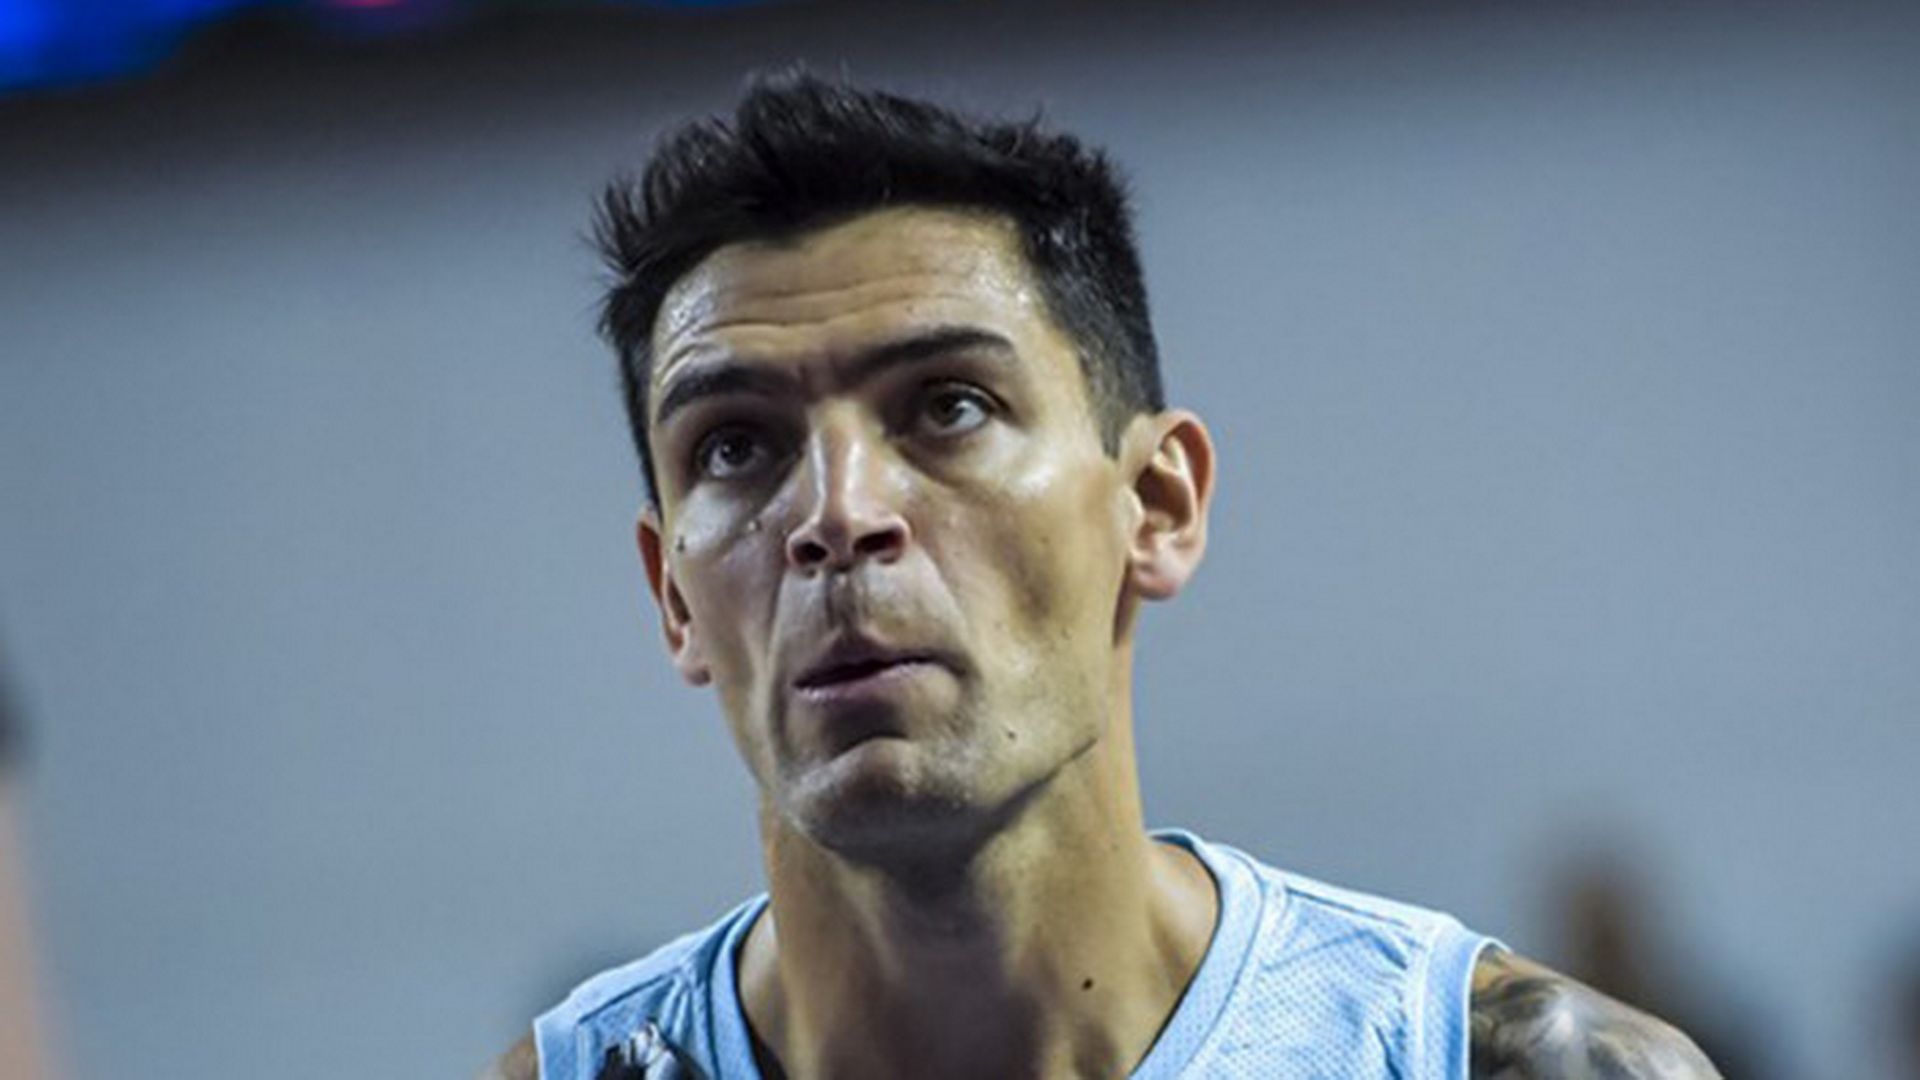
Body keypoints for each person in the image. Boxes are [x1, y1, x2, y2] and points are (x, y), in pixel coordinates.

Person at [488, 71, 1721, 1080]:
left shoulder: (1506, 1065)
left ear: (1157, 504)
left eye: (948, 406)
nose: (837, 513)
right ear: (672, 595)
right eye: (735, 446)